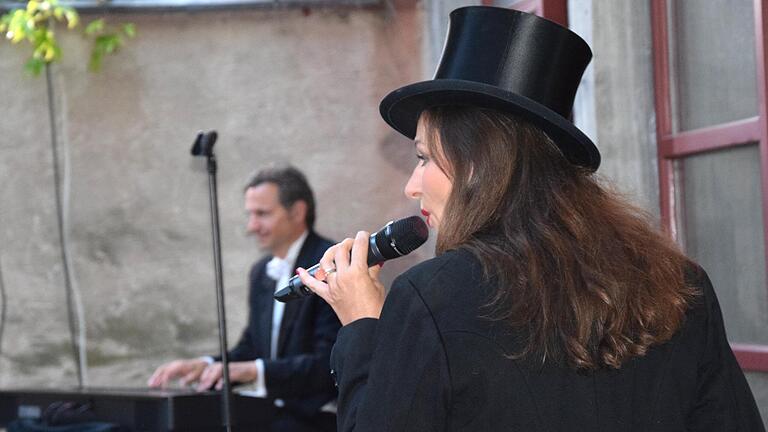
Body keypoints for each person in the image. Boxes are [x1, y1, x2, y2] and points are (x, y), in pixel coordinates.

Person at [297, 6, 766, 432]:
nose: (412, 185)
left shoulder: (429, 298)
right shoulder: (680, 283)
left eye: (424, 158)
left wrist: (362, 327)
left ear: (479, 164)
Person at [148, 165, 340, 432]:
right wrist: (205, 365)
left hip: (317, 419)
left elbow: (329, 364)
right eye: (250, 215)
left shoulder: (331, 262)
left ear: (297, 212)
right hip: (270, 414)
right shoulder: (260, 272)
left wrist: (252, 372)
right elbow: (251, 349)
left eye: (262, 214)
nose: (251, 226)